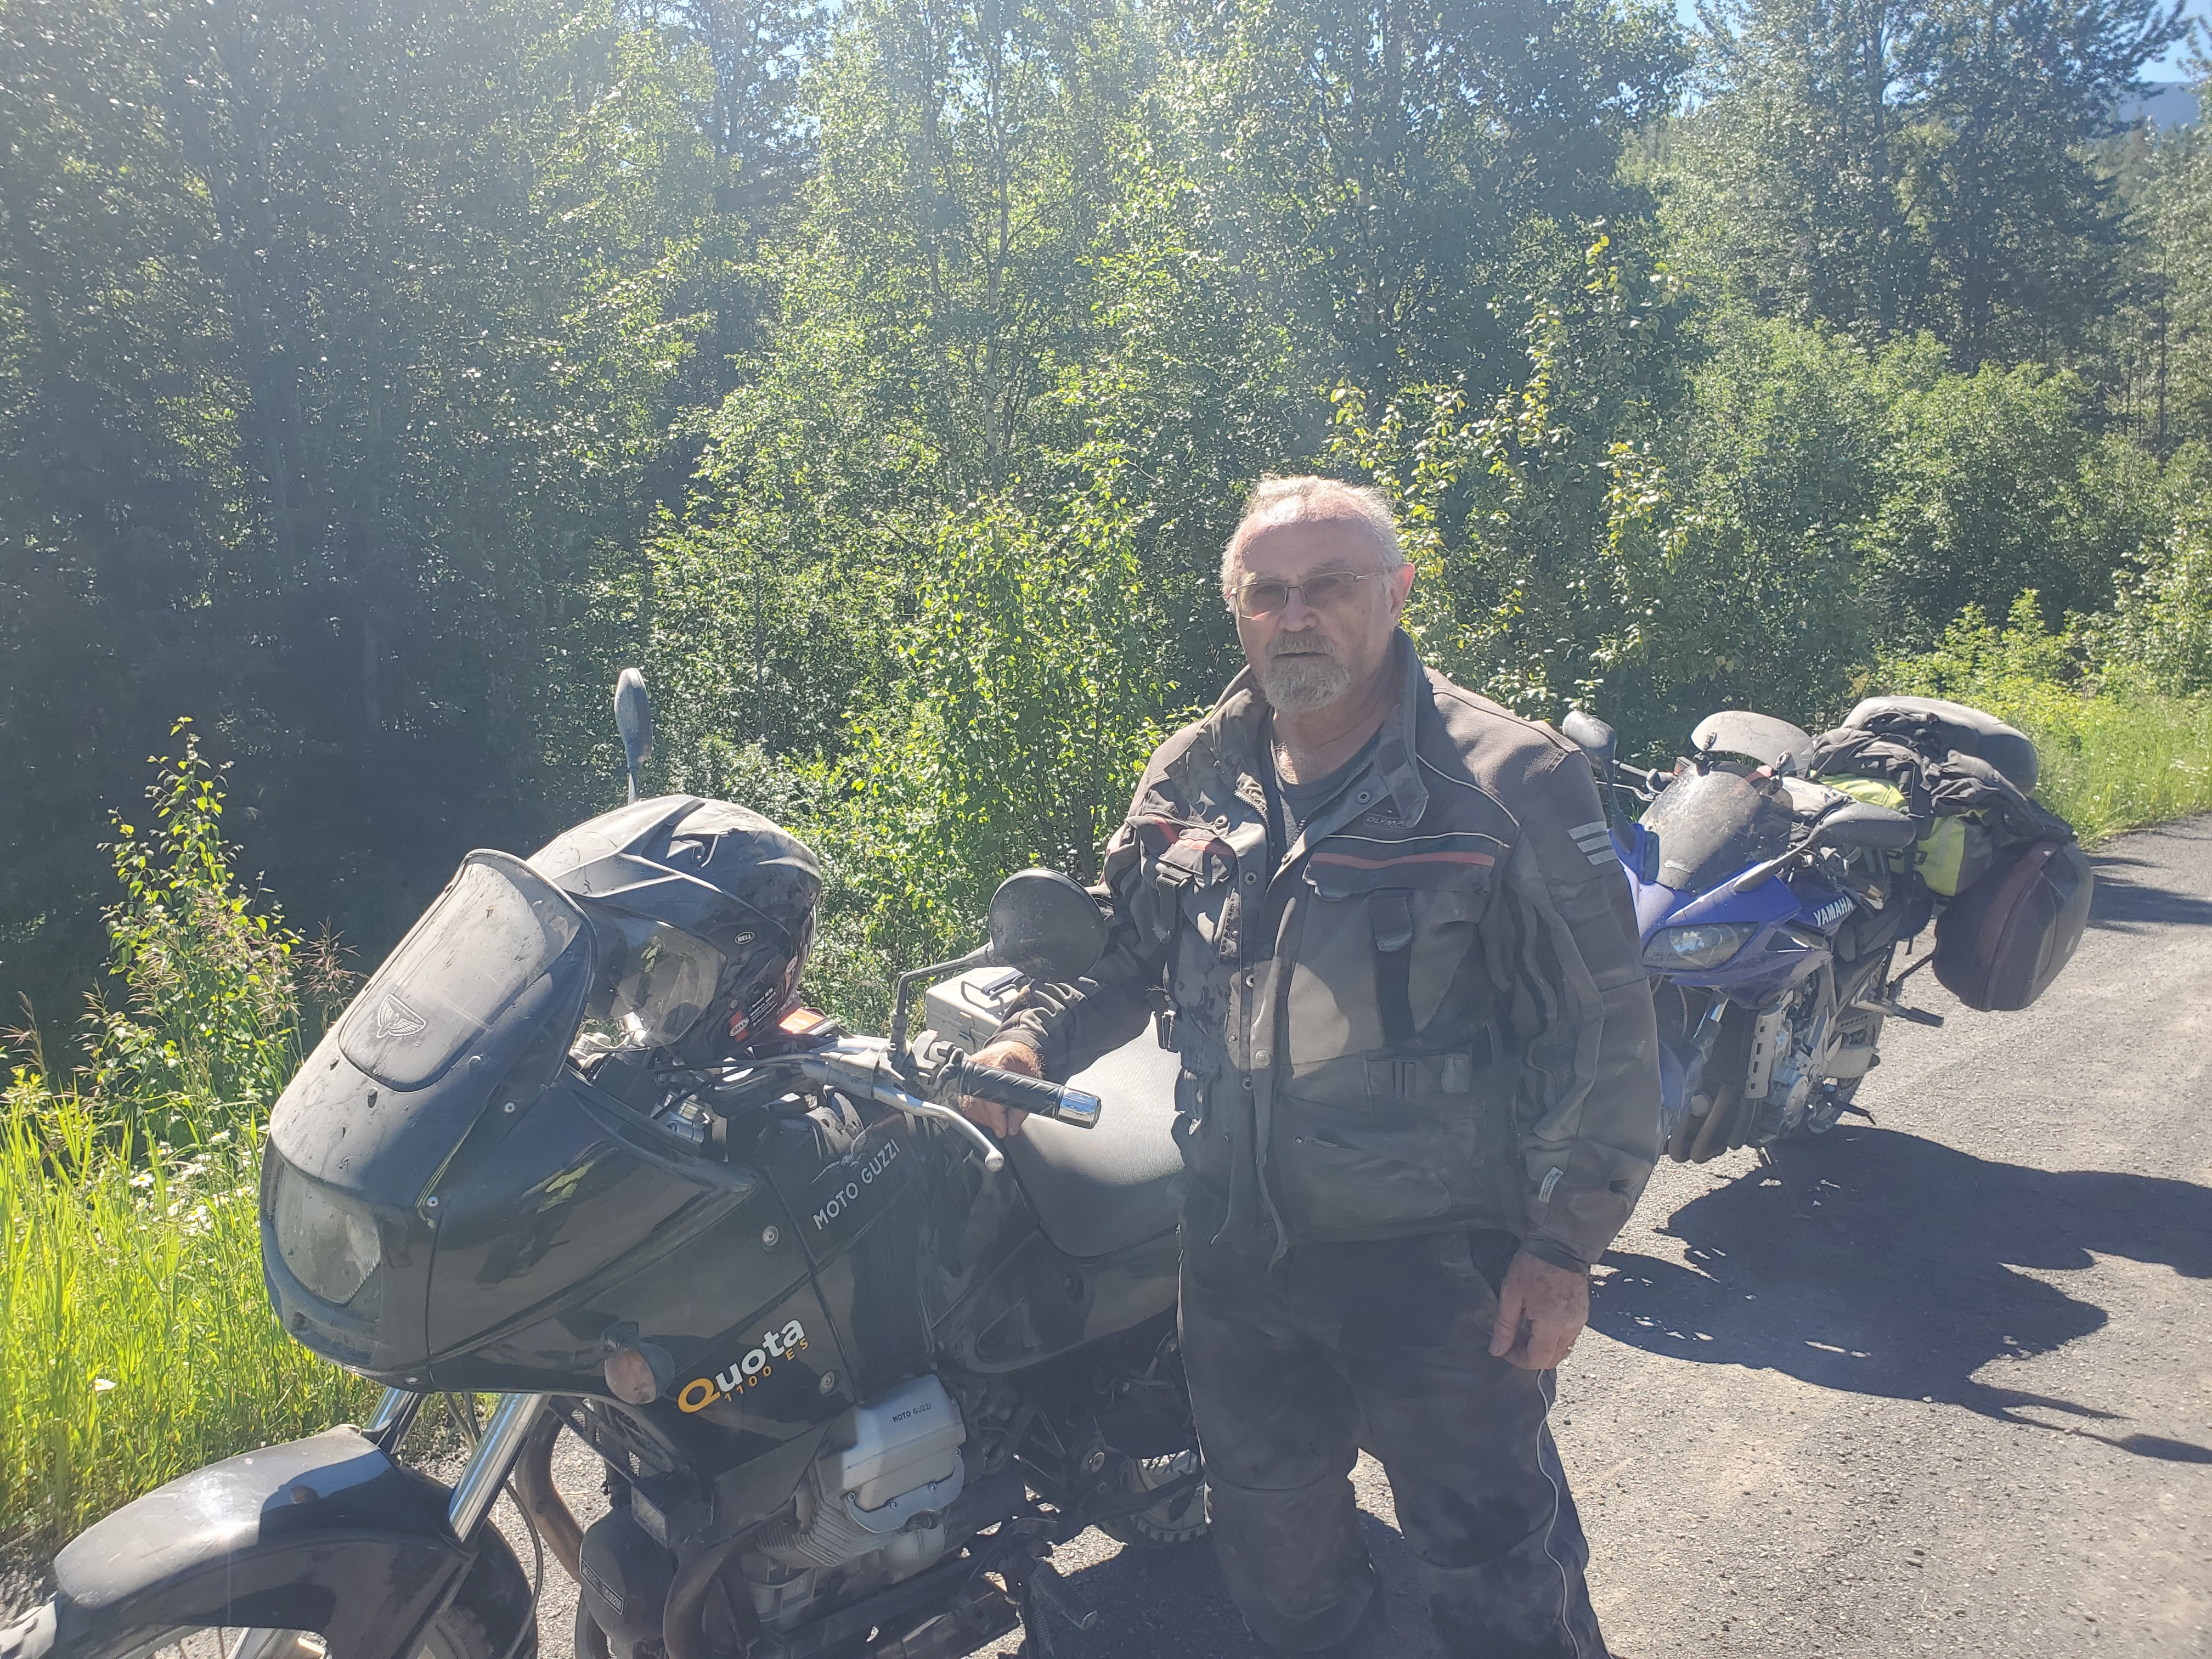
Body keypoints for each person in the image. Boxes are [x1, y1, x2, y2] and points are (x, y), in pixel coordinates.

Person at [960, 476, 1661, 1658]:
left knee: (1492, 1560)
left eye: (1328, 585)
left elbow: (1606, 1029)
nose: (1296, 616)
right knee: (1277, 1560)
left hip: (1438, 1263)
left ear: (1397, 592)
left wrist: (1561, 1249)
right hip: (1235, 1259)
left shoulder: (1506, 781)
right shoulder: (1192, 770)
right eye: (1267, 593)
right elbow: (1123, 945)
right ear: (1238, 610)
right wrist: (1032, 1038)